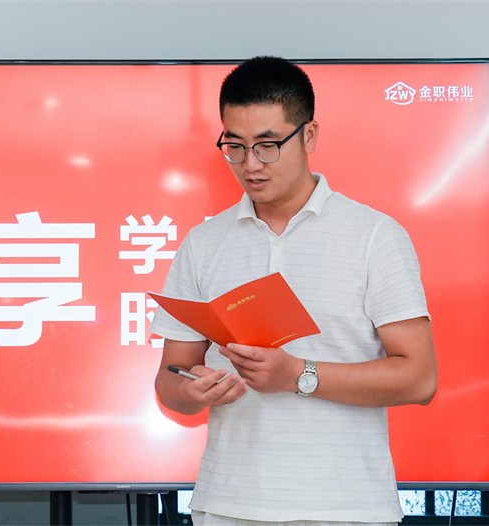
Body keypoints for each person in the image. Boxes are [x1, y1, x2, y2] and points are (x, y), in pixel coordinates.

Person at [151, 56, 438, 526]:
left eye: (268, 146)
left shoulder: (373, 236)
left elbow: (419, 378)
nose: (250, 165)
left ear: (309, 135)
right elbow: (169, 380)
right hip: (227, 504)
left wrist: (298, 375)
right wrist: (194, 390)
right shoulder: (204, 243)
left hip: (347, 509)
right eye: (235, 146)